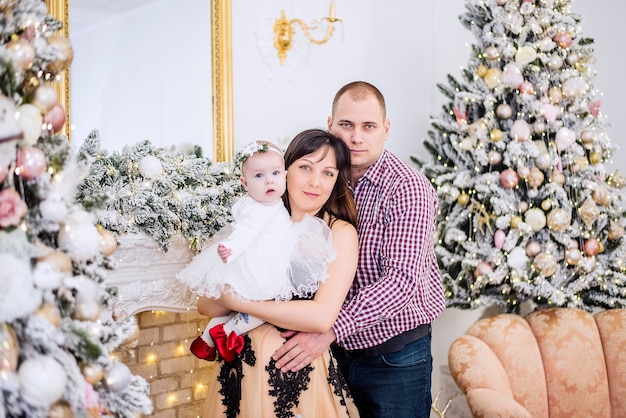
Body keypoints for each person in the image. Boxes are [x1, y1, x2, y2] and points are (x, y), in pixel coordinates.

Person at [271, 81, 447, 418]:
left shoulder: (408, 188)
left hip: (394, 355)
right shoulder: (322, 181)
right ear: (330, 125)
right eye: (346, 125)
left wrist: (329, 329)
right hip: (333, 350)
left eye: (368, 127)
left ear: (386, 129)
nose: (356, 137)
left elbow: (400, 284)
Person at [198, 129, 360, 417]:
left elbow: (321, 316)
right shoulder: (258, 219)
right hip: (242, 367)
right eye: (305, 168)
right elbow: (206, 303)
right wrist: (232, 295)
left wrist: (241, 303)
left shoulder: (339, 232)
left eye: (328, 173)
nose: (315, 182)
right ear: (285, 171)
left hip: (296, 374)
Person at [177, 140, 335, 363]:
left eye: (275, 173)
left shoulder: (272, 204)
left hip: (265, 268)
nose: (269, 180)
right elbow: (244, 234)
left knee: (250, 309)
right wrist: (231, 249)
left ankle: (210, 337)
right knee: (260, 308)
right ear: (245, 182)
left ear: (284, 174)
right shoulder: (257, 208)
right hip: (259, 269)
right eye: (259, 176)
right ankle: (226, 335)